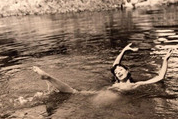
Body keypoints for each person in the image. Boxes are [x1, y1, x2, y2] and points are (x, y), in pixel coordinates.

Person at [33, 43, 173, 94]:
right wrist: (124, 50)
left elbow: (159, 77)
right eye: (117, 73)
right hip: (103, 92)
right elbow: (115, 65)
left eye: (121, 70)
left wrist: (164, 60)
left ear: (128, 71)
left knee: (73, 93)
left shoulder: (137, 84)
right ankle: (48, 77)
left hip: (108, 96)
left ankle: (49, 78)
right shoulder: (116, 82)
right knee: (73, 92)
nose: (118, 72)